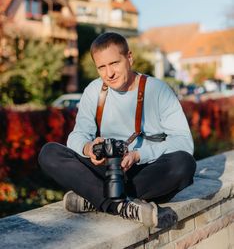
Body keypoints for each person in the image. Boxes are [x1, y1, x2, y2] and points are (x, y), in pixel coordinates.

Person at [38, 32, 196, 228]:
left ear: (129, 58)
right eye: (101, 67)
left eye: (114, 63)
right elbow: (78, 135)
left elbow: (184, 142)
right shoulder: (94, 91)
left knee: (184, 163)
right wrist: (89, 148)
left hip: (145, 171)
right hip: (107, 170)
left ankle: (95, 199)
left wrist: (139, 155)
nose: (109, 73)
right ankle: (123, 206)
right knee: (49, 153)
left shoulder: (158, 90)